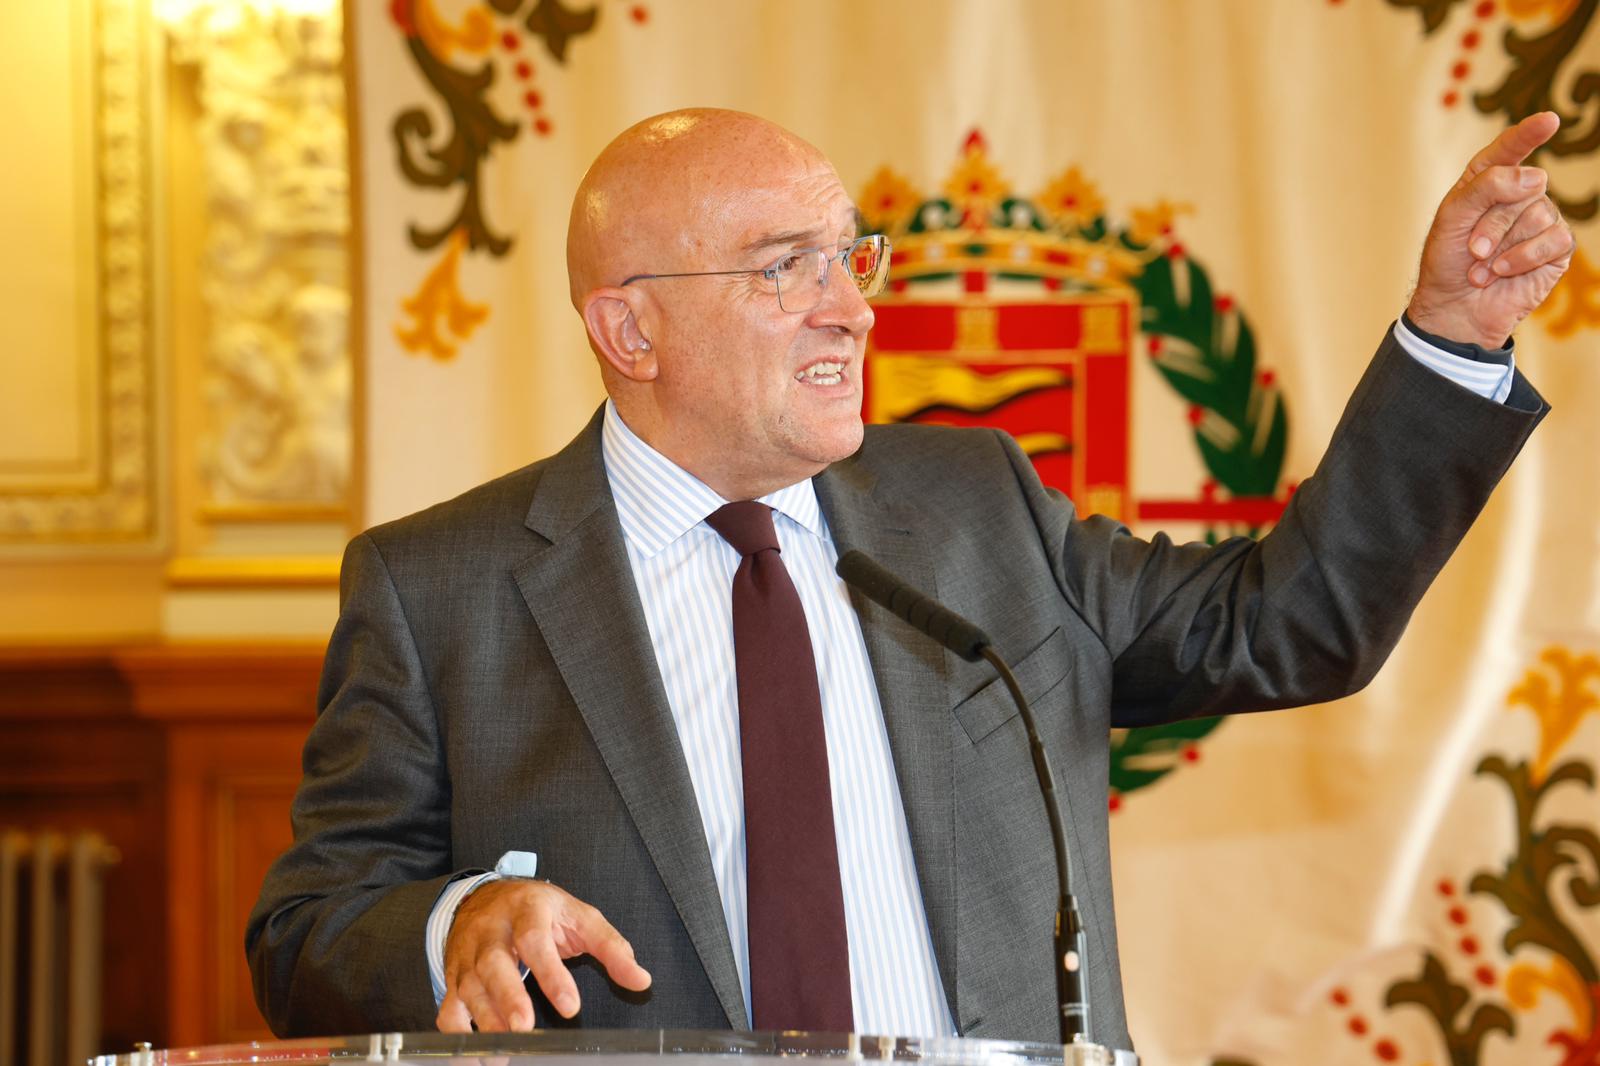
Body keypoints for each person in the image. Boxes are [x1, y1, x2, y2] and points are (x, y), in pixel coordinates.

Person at [248, 108, 1571, 1052]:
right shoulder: (440, 588)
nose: (852, 308)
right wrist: (456, 920)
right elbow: (307, 930)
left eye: (850, 255)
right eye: (787, 267)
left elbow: (1291, 621)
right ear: (630, 328)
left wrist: (1453, 340)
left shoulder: (974, 505)